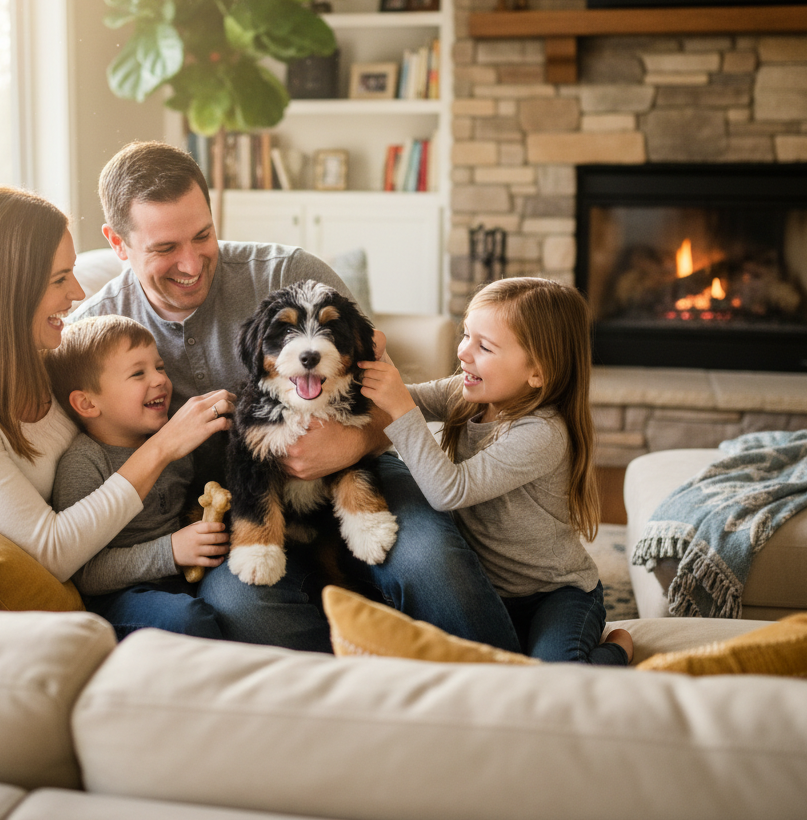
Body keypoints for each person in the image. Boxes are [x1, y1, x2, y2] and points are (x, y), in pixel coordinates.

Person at [70, 140, 519, 654]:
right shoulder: (93, 336)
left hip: (359, 469)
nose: (192, 264)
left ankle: (520, 695)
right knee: (244, 607)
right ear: (118, 243)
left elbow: (383, 390)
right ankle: (370, 693)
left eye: (203, 235)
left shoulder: (287, 273)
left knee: (429, 560)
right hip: (245, 501)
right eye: (165, 249)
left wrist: (353, 444)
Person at [0, 186, 231, 588]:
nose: (78, 294)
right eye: (60, 279)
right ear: (4, 292)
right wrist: (165, 444)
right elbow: (51, 553)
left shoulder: (40, 359)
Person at [358, 276, 634, 665]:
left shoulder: (543, 433)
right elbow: (407, 398)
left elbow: (448, 490)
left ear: (537, 372)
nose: (463, 352)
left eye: (484, 346)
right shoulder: (468, 394)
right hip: (492, 591)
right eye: (466, 335)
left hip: (554, 595)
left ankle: (619, 647)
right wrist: (377, 363)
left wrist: (400, 407)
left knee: (559, 678)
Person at [46, 314, 231, 640]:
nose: (160, 379)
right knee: (188, 619)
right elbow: (85, 573)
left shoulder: (176, 442)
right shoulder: (84, 462)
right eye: (138, 373)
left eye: (159, 367)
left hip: (186, 578)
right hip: (121, 596)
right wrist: (171, 551)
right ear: (87, 403)